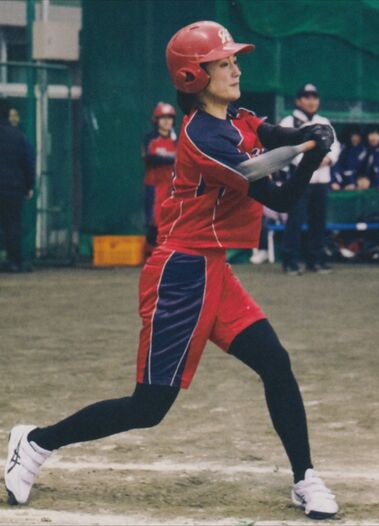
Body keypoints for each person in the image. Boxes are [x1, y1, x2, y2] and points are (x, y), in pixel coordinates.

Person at [3, 21, 339, 520]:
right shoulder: (204, 139)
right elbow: (282, 198)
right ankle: (35, 443)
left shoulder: (235, 117)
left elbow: (272, 133)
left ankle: (305, 477)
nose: (235, 69)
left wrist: (309, 134)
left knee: (275, 362)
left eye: (233, 61)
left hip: (213, 268)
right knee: (148, 407)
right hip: (180, 275)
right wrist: (312, 158)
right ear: (192, 76)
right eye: (223, 63)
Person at [279, 84, 340, 275]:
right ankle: (290, 261)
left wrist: (328, 159)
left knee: (318, 221)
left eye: (315, 97)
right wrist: (311, 161)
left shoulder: (324, 121)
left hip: (321, 180)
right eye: (307, 97)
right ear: (298, 101)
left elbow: (335, 145)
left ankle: (315, 260)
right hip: (299, 180)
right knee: (295, 220)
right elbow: (285, 149)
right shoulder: (289, 122)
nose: (311, 101)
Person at [0, 99, 35, 273]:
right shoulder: (19, 136)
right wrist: (29, 186)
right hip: (13, 189)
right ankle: (14, 262)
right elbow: (28, 162)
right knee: (13, 225)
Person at [142, 102, 177, 248]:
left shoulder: (177, 141)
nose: (167, 121)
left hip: (173, 188)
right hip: (155, 187)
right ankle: (151, 255)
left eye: (170, 118)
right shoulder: (150, 139)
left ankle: (167, 254)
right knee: (154, 224)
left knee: (172, 224)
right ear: (156, 120)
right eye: (163, 118)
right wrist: (173, 159)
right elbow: (150, 158)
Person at [331, 125, 365, 190]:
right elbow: (335, 167)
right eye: (352, 136)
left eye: (357, 136)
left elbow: (363, 170)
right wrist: (334, 181)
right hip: (339, 182)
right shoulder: (340, 148)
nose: (355, 138)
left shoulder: (363, 150)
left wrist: (361, 180)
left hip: (356, 183)